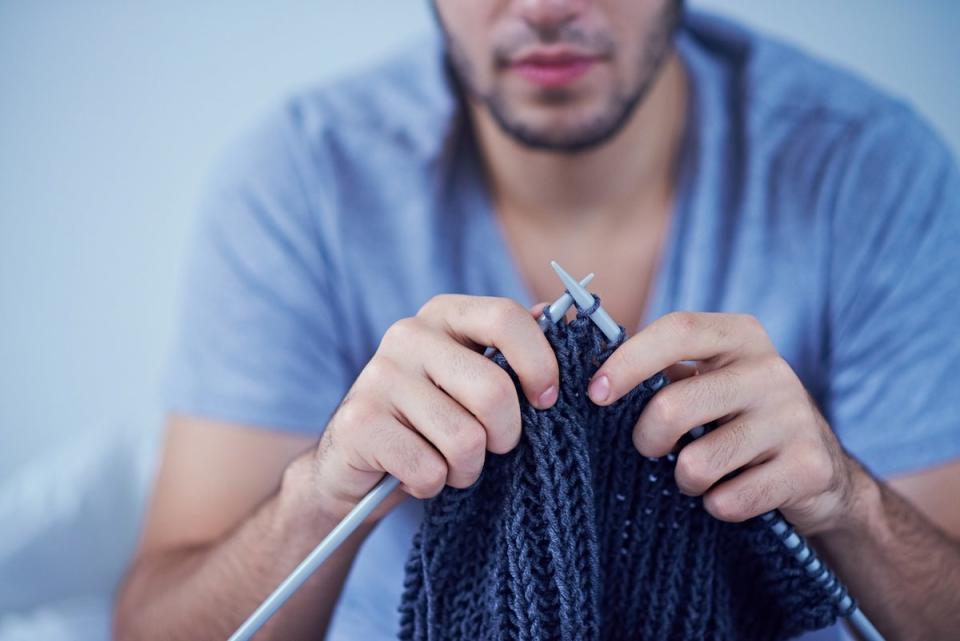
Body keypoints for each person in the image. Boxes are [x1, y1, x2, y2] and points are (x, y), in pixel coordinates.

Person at [113, 1, 960, 639]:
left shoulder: (869, 171)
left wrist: (845, 500)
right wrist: (324, 486)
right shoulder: (302, 181)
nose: (549, 5)